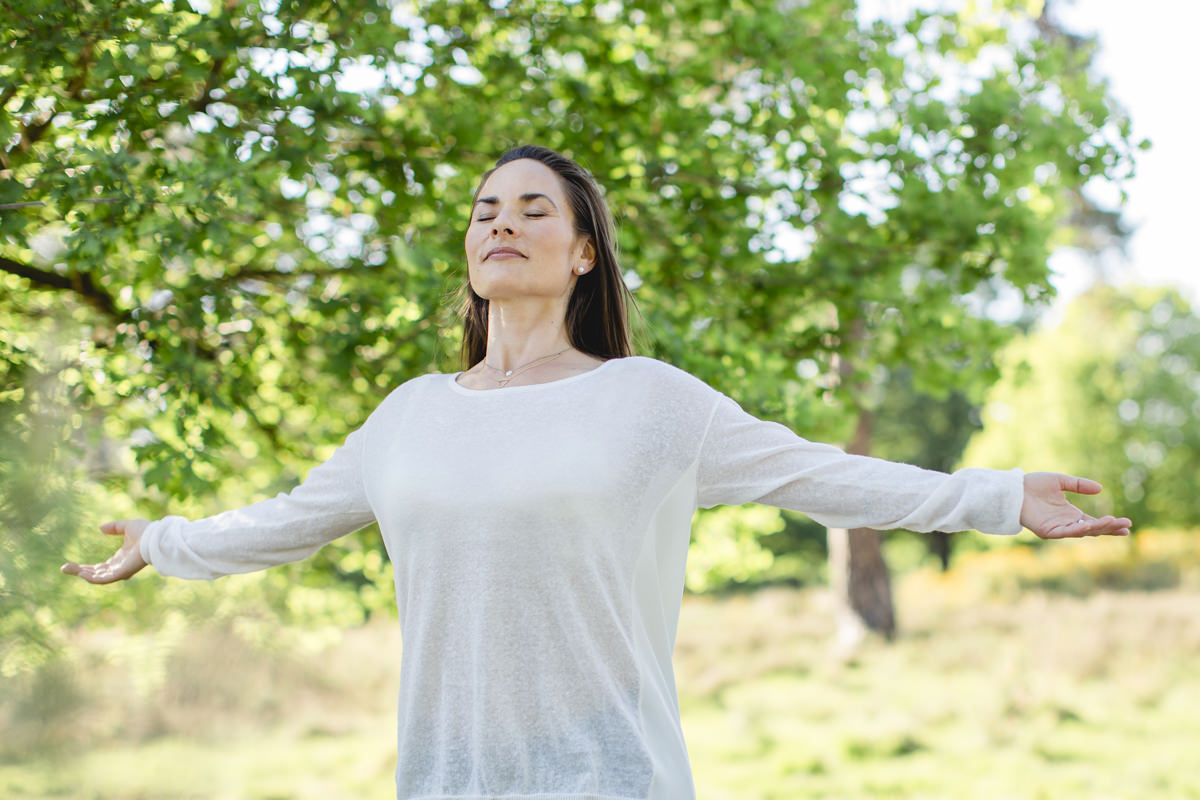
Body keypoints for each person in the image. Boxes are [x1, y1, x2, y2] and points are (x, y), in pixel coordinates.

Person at [62, 144, 1132, 799]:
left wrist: (994, 497)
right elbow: (286, 521)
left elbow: (816, 475)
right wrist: (161, 540)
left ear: (584, 254)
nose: (502, 222)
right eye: (486, 209)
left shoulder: (650, 399)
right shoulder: (410, 418)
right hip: (445, 784)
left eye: (535, 209)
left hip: (610, 781)